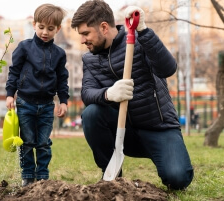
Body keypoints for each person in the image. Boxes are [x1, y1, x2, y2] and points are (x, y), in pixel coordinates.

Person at [71, 0, 193, 190]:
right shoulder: (89, 59)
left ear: (103, 27)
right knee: (91, 113)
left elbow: (168, 68)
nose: (82, 40)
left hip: (158, 128)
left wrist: (144, 31)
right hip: (123, 132)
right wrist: (108, 94)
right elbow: (87, 93)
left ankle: (166, 156)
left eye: (86, 33)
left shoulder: (139, 42)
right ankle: (111, 176)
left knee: (177, 178)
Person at [5, 3, 69, 187]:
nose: (45, 32)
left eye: (50, 29)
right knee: (27, 142)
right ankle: (27, 176)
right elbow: (14, 72)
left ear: (57, 29)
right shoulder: (24, 48)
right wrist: (10, 94)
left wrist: (63, 101)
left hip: (47, 105)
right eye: (41, 27)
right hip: (25, 103)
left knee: (43, 143)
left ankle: (42, 177)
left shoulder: (59, 54)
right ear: (34, 24)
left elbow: (62, 79)